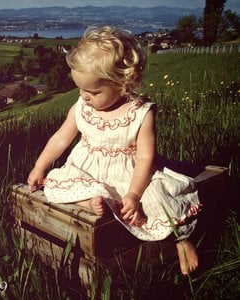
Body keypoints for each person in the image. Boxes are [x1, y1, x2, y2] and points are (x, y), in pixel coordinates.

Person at [27, 26, 201, 275]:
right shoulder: (82, 106)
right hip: (88, 168)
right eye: (80, 89)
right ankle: (88, 201)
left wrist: (134, 193)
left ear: (122, 84)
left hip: (130, 173)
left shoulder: (140, 112)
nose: (84, 96)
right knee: (56, 182)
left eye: (93, 92)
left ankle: (180, 240)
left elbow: (145, 157)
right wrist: (40, 165)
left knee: (160, 198)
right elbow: (61, 138)